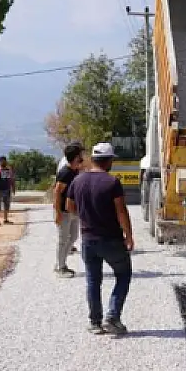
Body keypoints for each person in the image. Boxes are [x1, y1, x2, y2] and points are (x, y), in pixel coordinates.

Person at [67, 142, 134, 335]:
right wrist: (128, 236)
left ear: (94, 159)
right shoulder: (112, 182)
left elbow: (70, 207)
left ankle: (95, 323)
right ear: (109, 160)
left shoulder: (77, 181)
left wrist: (87, 215)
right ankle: (112, 316)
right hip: (111, 239)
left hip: (88, 240)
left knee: (93, 280)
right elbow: (121, 211)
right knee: (123, 274)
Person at [53, 143, 84, 278]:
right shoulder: (65, 173)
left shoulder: (75, 170)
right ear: (76, 157)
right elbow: (57, 192)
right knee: (63, 239)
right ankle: (60, 267)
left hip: (73, 211)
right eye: (80, 155)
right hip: (64, 212)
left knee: (73, 237)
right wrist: (58, 213)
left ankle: (61, 262)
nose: (82, 157)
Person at [0, 156, 14, 225]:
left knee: (6, 205)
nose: (3, 162)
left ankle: (5, 219)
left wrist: (13, 188)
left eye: (4, 161)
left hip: (7, 190)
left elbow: (10, 180)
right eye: (1, 161)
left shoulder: (8, 170)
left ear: (6, 161)